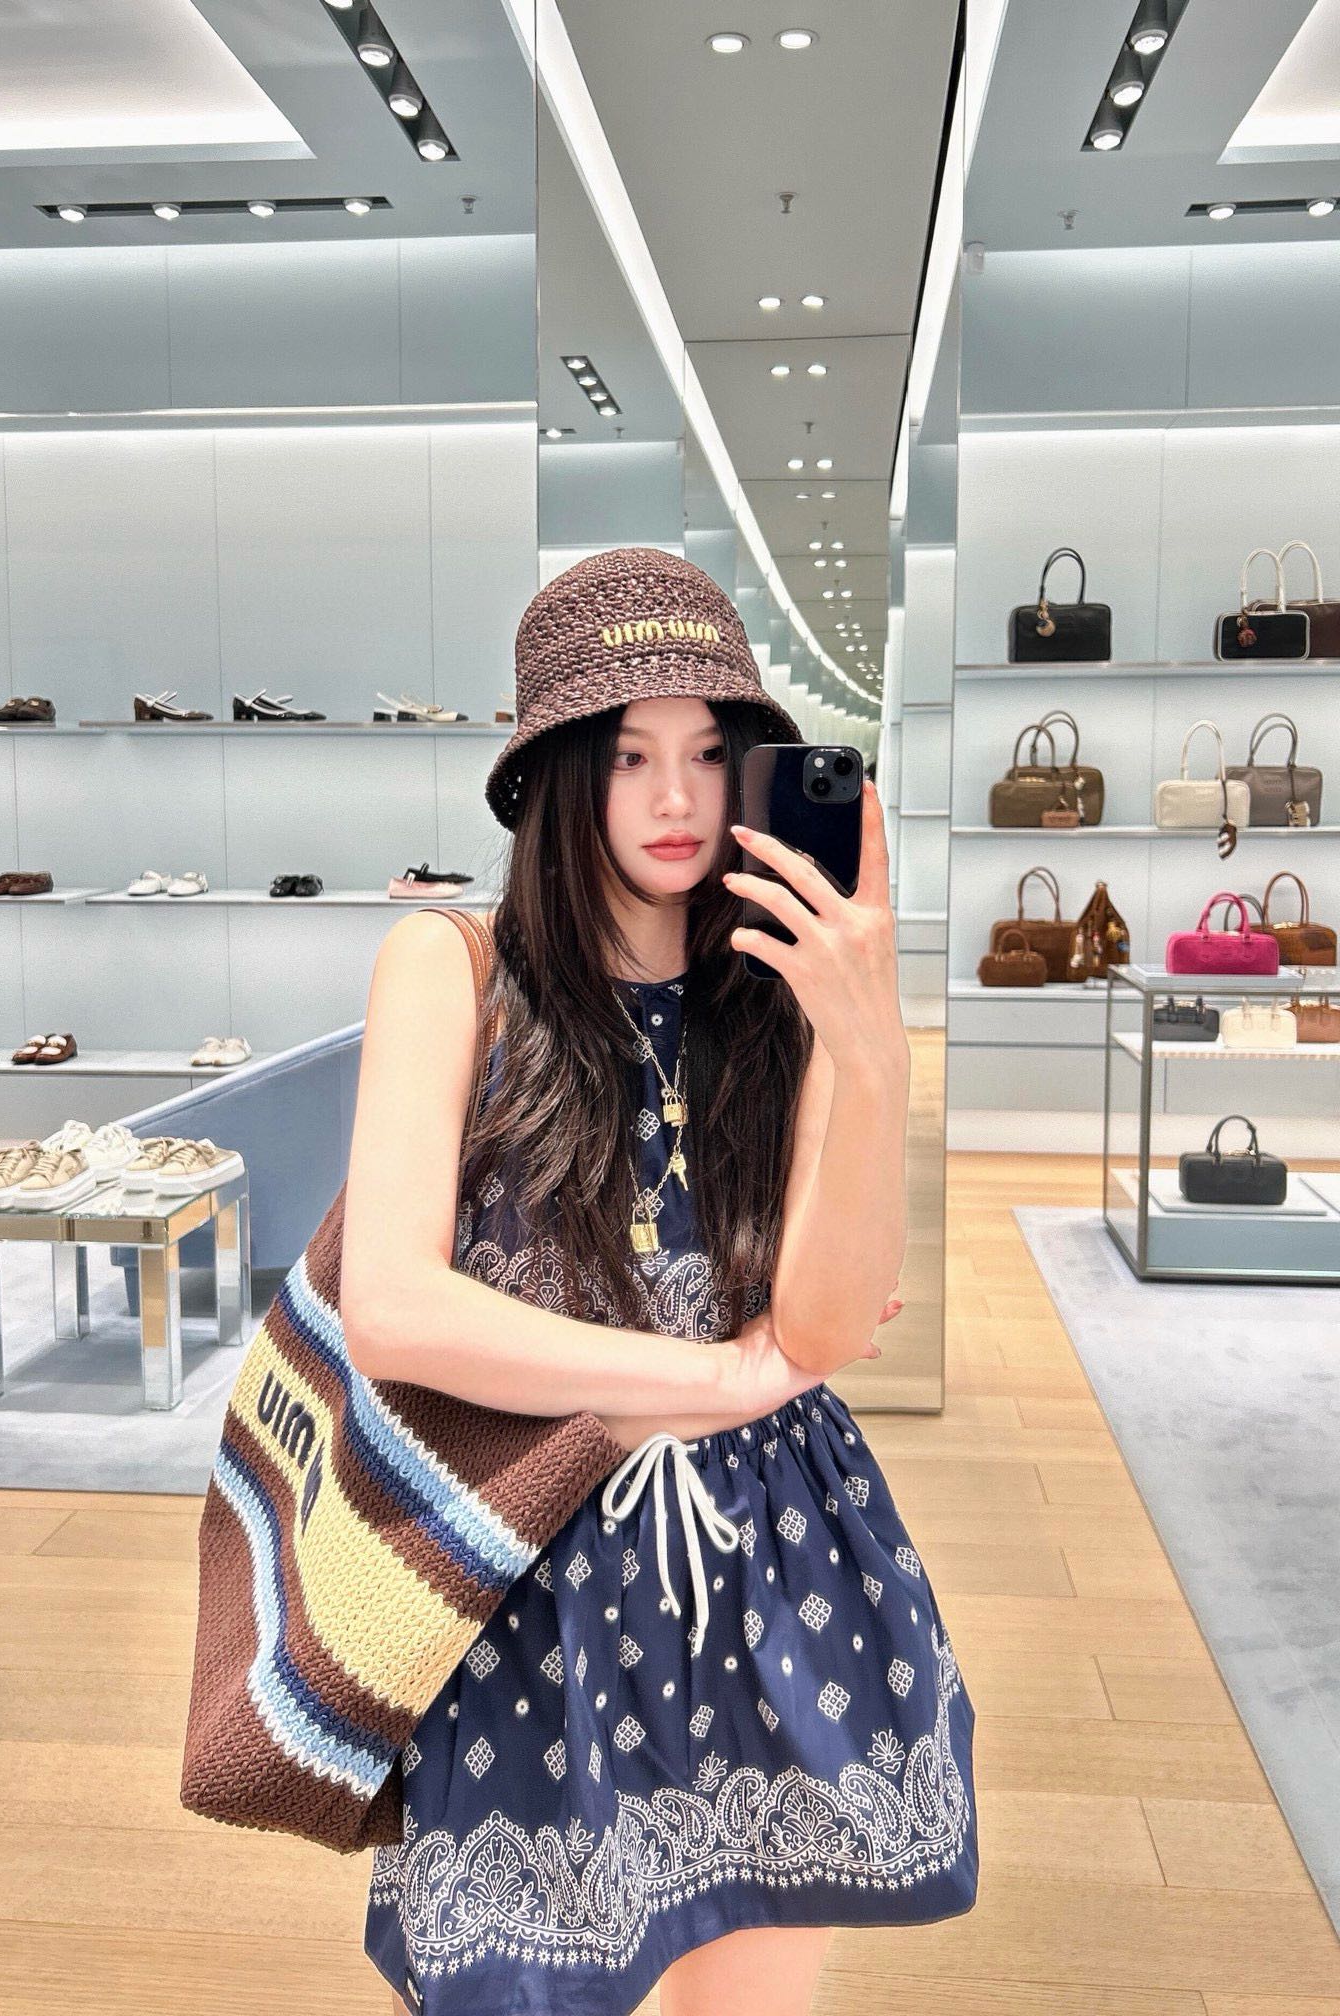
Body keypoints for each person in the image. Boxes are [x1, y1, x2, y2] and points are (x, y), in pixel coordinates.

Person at [340, 548, 979, 2016]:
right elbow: (395, 1308)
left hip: (772, 1563)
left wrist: (868, 1036)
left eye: (707, 752)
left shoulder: (782, 1000)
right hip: (528, 1559)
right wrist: (724, 1376)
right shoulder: (452, 969)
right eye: (630, 755)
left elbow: (822, 1322)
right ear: (560, 773)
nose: (676, 798)